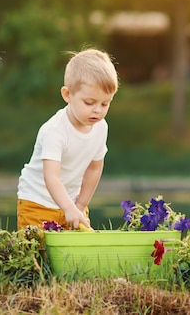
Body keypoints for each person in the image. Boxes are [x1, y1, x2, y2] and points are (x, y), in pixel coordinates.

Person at [16, 48, 119, 230]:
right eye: (89, 102)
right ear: (67, 95)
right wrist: (69, 207)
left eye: (105, 103)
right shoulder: (55, 130)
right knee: (37, 252)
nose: (98, 110)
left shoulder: (101, 128)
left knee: (75, 255)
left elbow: (94, 168)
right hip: (38, 202)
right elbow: (52, 176)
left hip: (71, 203)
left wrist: (79, 205)